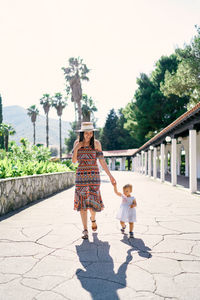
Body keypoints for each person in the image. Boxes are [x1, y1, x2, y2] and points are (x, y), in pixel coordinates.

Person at [72, 122, 116, 239]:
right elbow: (74, 161)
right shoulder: (77, 143)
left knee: (92, 203)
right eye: (86, 133)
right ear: (82, 133)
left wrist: (110, 176)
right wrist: (77, 147)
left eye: (91, 133)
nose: (89, 135)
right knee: (82, 203)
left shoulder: (96, 144)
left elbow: (101, 160)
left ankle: (93, 219)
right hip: (81, 177)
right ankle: (85, 230)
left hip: (94, 177)